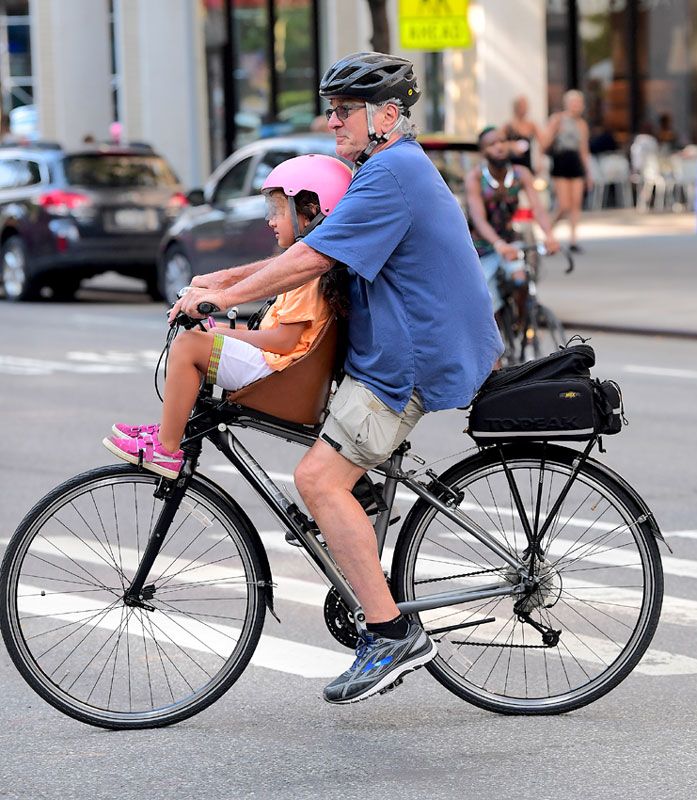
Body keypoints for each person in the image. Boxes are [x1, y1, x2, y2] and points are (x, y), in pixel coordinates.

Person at [166, 52, 503, 705]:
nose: (332, 121)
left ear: (386, 115)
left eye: (343, 109)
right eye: (331, 109)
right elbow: (303, 256)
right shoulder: (385, 170)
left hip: (407, 360)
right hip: (389, 350)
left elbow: (310, 257)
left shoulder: (392, 175)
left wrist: (218, 298)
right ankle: (365, 499)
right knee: (321, 449)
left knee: (317, 479)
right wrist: (220, 284)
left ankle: (390, 633)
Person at [103, 154, 352, 476]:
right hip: (282, 367)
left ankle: (166, 447)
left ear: (312, 211)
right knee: (198, 340)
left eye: (277, 210)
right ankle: (169, 431)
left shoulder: (307, 274)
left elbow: (285, 340)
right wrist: (221, 329)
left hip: (282, 373)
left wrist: (223, 333)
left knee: (188, 347)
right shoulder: (303, 265)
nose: (270, 220)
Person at [466, 126, 559, 322]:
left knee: (520, 279)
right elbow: (478, 219)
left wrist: (549, 235)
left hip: (510, 241)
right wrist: (498, 244)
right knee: (488, 305)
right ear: (483, 151)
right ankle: (499, 340)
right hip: (483, 247)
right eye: (492, 144)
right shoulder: (475, 177)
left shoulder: (520, 173)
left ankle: (522, 325)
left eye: (502, 141)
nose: (499, 147)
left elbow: (538, 209)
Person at [542, 89, 592, 253]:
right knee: (563, 205)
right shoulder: (557, 119)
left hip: (575, 162)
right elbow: (544, 142)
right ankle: (549, 233)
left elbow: (584, 150)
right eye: (573, 102)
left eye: (579, 102)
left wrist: (588, 173)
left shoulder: (582, 124)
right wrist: (556, 133)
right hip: (561, 160)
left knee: (576, 203)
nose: (576, 106)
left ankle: (573, 239)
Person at [503, 95, 542, 173]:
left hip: (527, 164)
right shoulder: (508, 125)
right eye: (521, 106)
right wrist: (511, 145)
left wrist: (539, 160)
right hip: (511, 163)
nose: (524, 109)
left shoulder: (531, 125)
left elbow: (541, 143)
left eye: (525, 106)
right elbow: (500, 142)